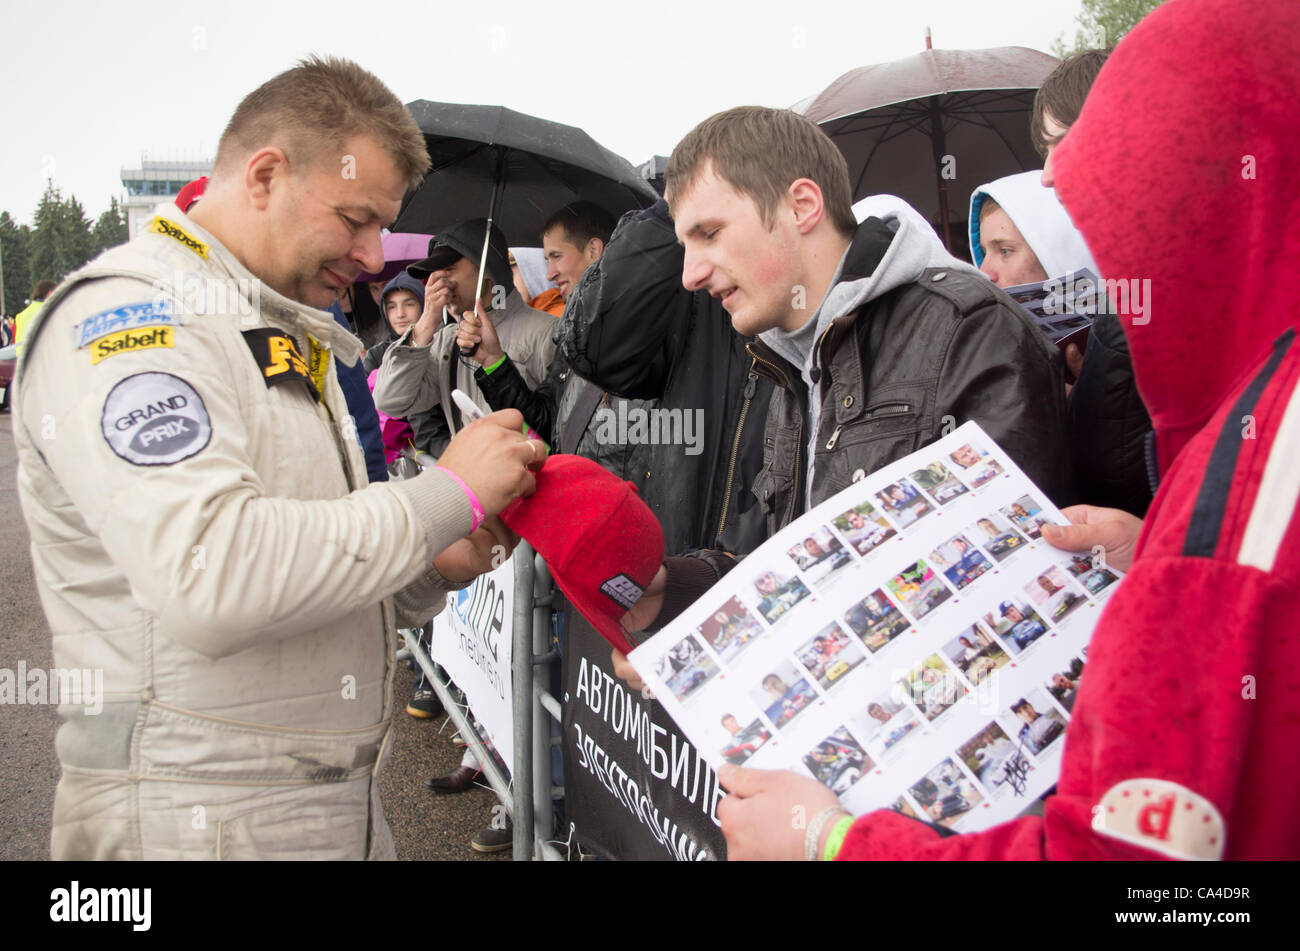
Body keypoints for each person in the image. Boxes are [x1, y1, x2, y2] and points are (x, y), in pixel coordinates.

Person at [714, 0, 1300, 861]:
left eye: (1116, 203)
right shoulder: (1243, 461)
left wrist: (832, 843)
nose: (1058, 184)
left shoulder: (1257, 474)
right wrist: (1162, 553)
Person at [12, 56, 544, 860]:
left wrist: (433, 562)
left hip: (319, 810)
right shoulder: (131, 319)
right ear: (264, 175)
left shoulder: (276, 327)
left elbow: (307, 568)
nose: (373, 257)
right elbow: (212, 575)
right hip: (189, 825)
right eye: (356, 218)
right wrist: (444, 494)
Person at [372, 218, 557, 452]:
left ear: (485, 271)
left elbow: (559, 426)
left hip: (533, 480)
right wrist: (427, 320)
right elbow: (391, 401)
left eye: (449, 270)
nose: (439, 283)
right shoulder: (445, 340)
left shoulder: (546, 331)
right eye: (433, 274)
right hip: (471, 484)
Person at [12, 279, 56, 357]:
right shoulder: (49, 311)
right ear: (50, 293)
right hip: (42, 359)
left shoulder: (21, 315)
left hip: (22, 360)